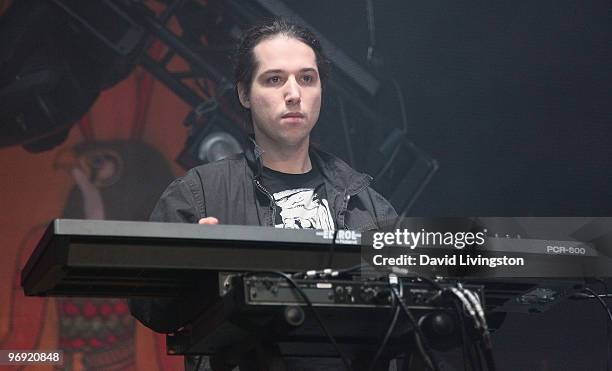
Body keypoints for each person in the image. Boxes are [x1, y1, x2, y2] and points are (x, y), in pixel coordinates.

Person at [130, 19, 397, 370]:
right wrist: (193, 269)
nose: (294, 93)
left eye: (307, 78)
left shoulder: (368, 203)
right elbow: (150, 308)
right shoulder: (198, 194)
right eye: (274, 79)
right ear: (244, 93)